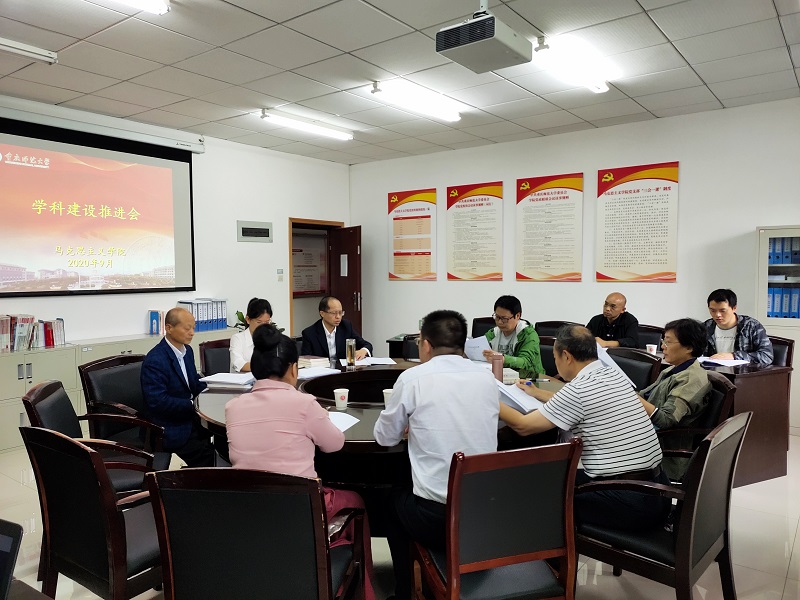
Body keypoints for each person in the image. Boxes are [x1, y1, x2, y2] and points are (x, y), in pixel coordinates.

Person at [225, 325, 376, 600]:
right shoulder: (304, 404)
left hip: (248, 512)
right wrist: (322, 419)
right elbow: (334, 444)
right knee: (355, 500)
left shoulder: (233, 407)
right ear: (293, 369)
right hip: (299, 513)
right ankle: (360, 591)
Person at [374, 310, 499, 600]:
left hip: (437, 518)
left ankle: (405, 592)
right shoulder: (486, 378)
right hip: (485, 512)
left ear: (426, 344)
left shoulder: (413, 378)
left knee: (391, 502)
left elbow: (385, 437)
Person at [501, 325, 670, 531]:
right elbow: (581, 402)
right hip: (658, 491)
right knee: (549, 475)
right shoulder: (613, 374)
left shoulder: (579, 390)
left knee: (535, 490)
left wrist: (489, 395)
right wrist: (537, 393)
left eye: (555, 358)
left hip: (629, 502)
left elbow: (523, 426)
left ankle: (550, 550)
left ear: (566, 356)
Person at [140, 307, 215, 467]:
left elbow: (193, 382)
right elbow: (158, 402)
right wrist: (192, 405)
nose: (192, 333)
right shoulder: (155, 360)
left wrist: (212, 392)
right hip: (169, 426)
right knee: (206, 455)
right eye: (187, 328)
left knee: (224, 440)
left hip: (192, 417)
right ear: (169, 328)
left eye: (193, 328)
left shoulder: (187, 351)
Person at [638, 318, 711, 430]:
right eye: (663, 341)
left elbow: (666, 420)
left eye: (668, 342)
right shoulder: (672, 369)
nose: (662, 346)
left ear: (689, 347)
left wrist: (634, 398)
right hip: (643, 426)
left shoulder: (691, 379)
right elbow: (645, 395)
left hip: (660, 437)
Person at [481, 295, 544, 379]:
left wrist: (503, 359)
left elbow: (526, 362)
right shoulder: (493, 333)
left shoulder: (528, 335)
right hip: (502, 378)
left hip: (530, 379)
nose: (499, 322)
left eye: (504, 319)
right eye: (497, 317)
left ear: (517, 316)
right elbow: (480, 348)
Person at [705, 288, 773, 365]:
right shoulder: (706, 327)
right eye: (713, 310)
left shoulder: (751, 326)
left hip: (743, 371)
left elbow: (767, 356)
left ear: (734, 308)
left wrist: (734, 356)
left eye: (722, 311)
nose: (717, 315)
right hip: (713, 371)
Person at [301, 296, 372, 361]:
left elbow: (367, 345)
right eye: (334, 313)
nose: (338, 317)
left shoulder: (345, 326)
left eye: (340, 313)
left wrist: (363, 350)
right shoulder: (309, 333)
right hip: (322, 369)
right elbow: (306, 360)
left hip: (342, 369)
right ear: (322, 313)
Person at [229, 297, 272, 372]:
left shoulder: (271, 337)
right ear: (248, 320)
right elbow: (238, 364)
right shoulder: (238, 338)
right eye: (259, 322)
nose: (263, 326)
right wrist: (265, 366)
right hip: (243, 379)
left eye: (267, 322)